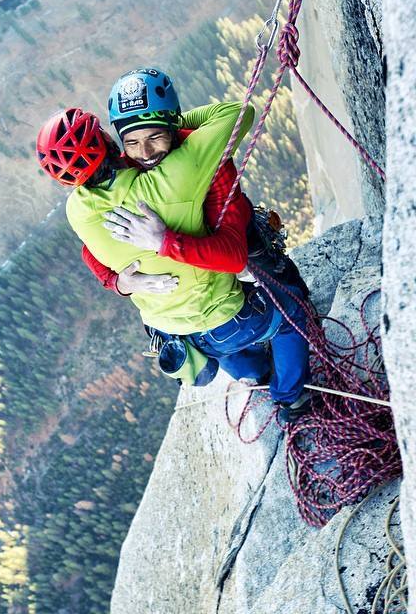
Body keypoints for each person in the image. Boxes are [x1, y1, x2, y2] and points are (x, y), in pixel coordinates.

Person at [36, 70, 310, 421]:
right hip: (222, 313)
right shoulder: (178, 174)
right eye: (132, 142)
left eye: (153, 137)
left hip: (170, 325)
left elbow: (90, 250)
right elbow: (236, 114)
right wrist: (163, 242)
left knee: (224, 338)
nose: (145, 152)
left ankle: (258, 375)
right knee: (293, 310)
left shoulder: (78, 210)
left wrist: (119, 281)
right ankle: (291, 399)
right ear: (109, 139)